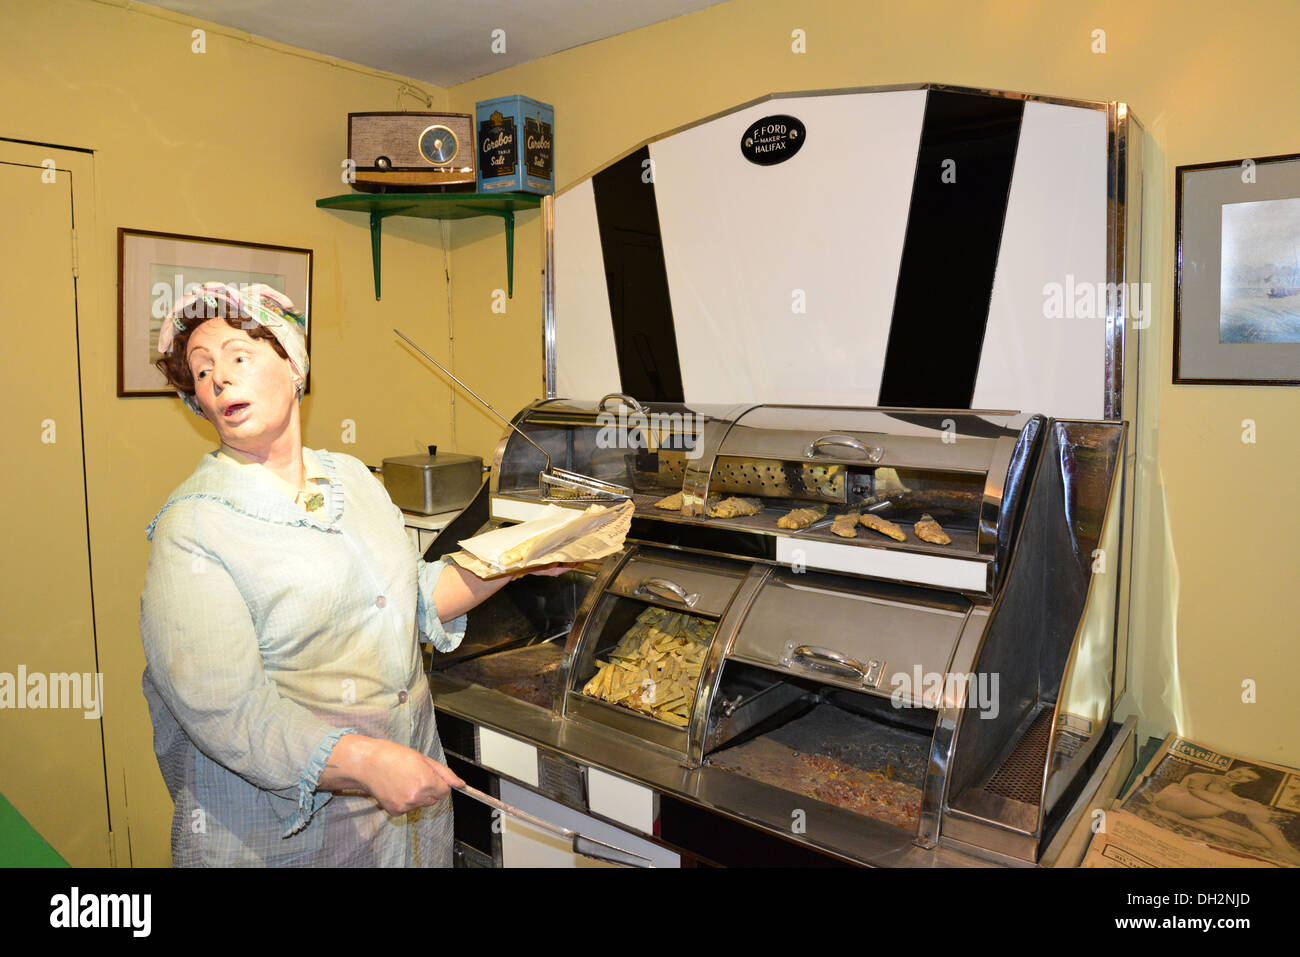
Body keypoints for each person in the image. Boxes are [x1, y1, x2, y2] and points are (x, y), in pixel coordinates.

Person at [139, 282, 561, 866]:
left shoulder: (353, 481)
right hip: (286, 834)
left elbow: (411, 596)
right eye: (202, 371)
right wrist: (365, 761)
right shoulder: (194, 529)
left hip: (402, 817)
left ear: (293, 366)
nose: (219, 380)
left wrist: (521, 558)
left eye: (239, 356)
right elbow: (227, 712)